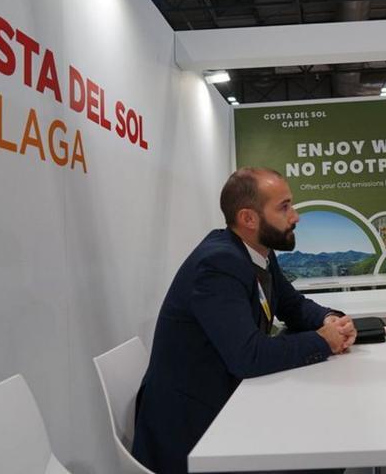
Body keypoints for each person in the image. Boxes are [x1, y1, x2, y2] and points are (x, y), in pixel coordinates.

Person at [132, 167, 357, 474]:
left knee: (326, 440)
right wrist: (323, 340)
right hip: (194, 431)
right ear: (248, 219)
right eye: (284, 207)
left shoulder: (257, 250)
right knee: (325, 457)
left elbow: (292, 305)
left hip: (228, 404)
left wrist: (331, 319)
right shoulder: (218, 264)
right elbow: (248, 356)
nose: (296, 216)